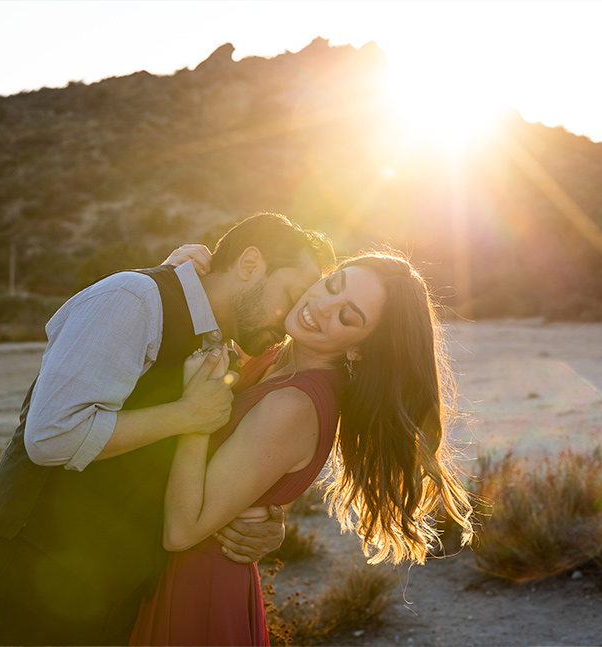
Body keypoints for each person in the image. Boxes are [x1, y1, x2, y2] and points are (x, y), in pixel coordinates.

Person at [0, 213, 335, 646]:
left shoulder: (219, 341)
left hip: (113, 593)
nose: (291, 318)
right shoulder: (134, 298)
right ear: (249, 264)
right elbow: (50, 435)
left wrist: (265, 517)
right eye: (292, 295)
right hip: (24, 577)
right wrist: (185, 415)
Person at [130, 251, 475, 646]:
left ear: (359, 349)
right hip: (169, 573)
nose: (322, 307)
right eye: (332, 285)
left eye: (348, 316)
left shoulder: (294, 405)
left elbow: (182, 531)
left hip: (194, 590)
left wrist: (196, 414)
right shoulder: (273, 353)